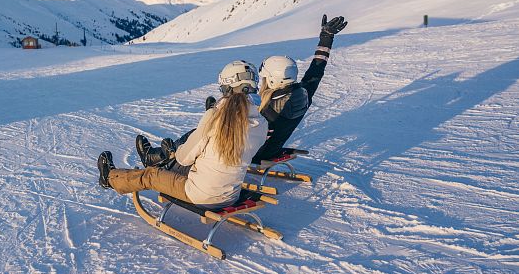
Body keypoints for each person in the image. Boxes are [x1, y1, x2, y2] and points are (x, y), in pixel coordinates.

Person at [137, 14, 347, 166]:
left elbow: (243, 128)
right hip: (270, 147)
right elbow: (315, 73)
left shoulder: (273, 107)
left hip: (254, 152)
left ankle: (159, 156)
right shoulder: (300, 94)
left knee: (202, 132)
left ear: (273, 80)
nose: (261, 81)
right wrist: (326, 39)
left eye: (264, 78)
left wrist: (216, 114)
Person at [97, 61, 268, 208]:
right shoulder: (261, 124)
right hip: (231, 197)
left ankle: (110, 178)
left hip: (200, 195)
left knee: (151, 175)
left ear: (227, 89)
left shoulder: (214, 117)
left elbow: (184, 158)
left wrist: (176, 153)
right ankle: (159, 159)